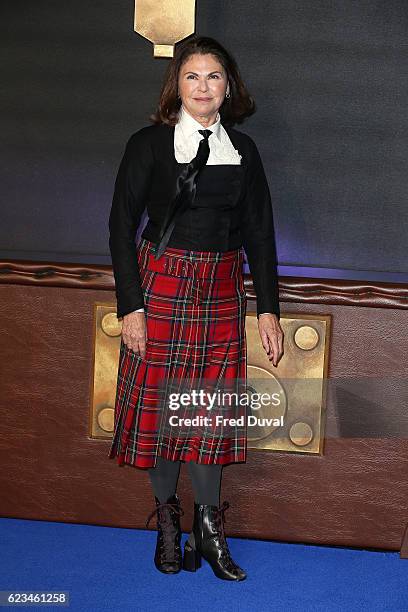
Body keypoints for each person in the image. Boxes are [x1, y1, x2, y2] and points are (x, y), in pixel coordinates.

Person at [107, 35, 284, 581]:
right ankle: (167, 524)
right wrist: (131, 307)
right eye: (192, 76)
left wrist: (268, 310)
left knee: (206, 412)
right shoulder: (149, 144)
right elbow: (120, 225)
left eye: (213, 76)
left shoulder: (245, 151)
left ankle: (208, 533)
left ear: (228, 87)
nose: (202, 86)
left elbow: (259, 232)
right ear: (176, 86)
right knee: (164, 413)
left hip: (221, 291)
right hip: (160, 287)